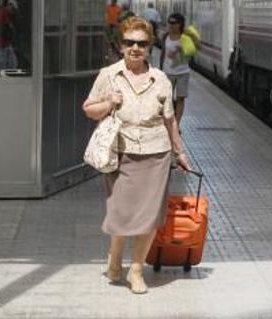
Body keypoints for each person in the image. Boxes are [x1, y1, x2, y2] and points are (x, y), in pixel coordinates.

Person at [82, 16, 194, 294]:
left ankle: (136, 270)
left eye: (141, 43)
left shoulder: (161, 80)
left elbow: (170, 122)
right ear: (120, 45)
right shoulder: (108, 75)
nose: (135, 48)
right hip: (121, 152)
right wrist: (110, 102)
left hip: (156, 153)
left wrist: (180, 152)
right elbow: (88, 109)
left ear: (150, 47)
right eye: (129, 42)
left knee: (150, 216)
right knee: (121, 212)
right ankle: (115, 256)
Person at [159, 13, 200, 125]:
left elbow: (195, 51)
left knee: (180, 98)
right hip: (168, 72)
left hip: (183, 72)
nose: (171, 25)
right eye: (169, 22)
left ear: (180, 24)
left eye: (174, 23)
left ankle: (176, 124)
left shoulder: (186, 37)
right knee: (168, 99)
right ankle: (169, 121)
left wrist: (183, 48)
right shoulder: (165, 37)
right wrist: (160, 69)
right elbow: (163, 53)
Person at [0, 0, 18, 75]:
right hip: (1, 45)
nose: (13, 12)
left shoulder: (7, 15)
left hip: (7, 44)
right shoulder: (1, 13)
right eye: (13, 9)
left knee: (13, 63)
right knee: (1, 65)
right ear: (9, 6)